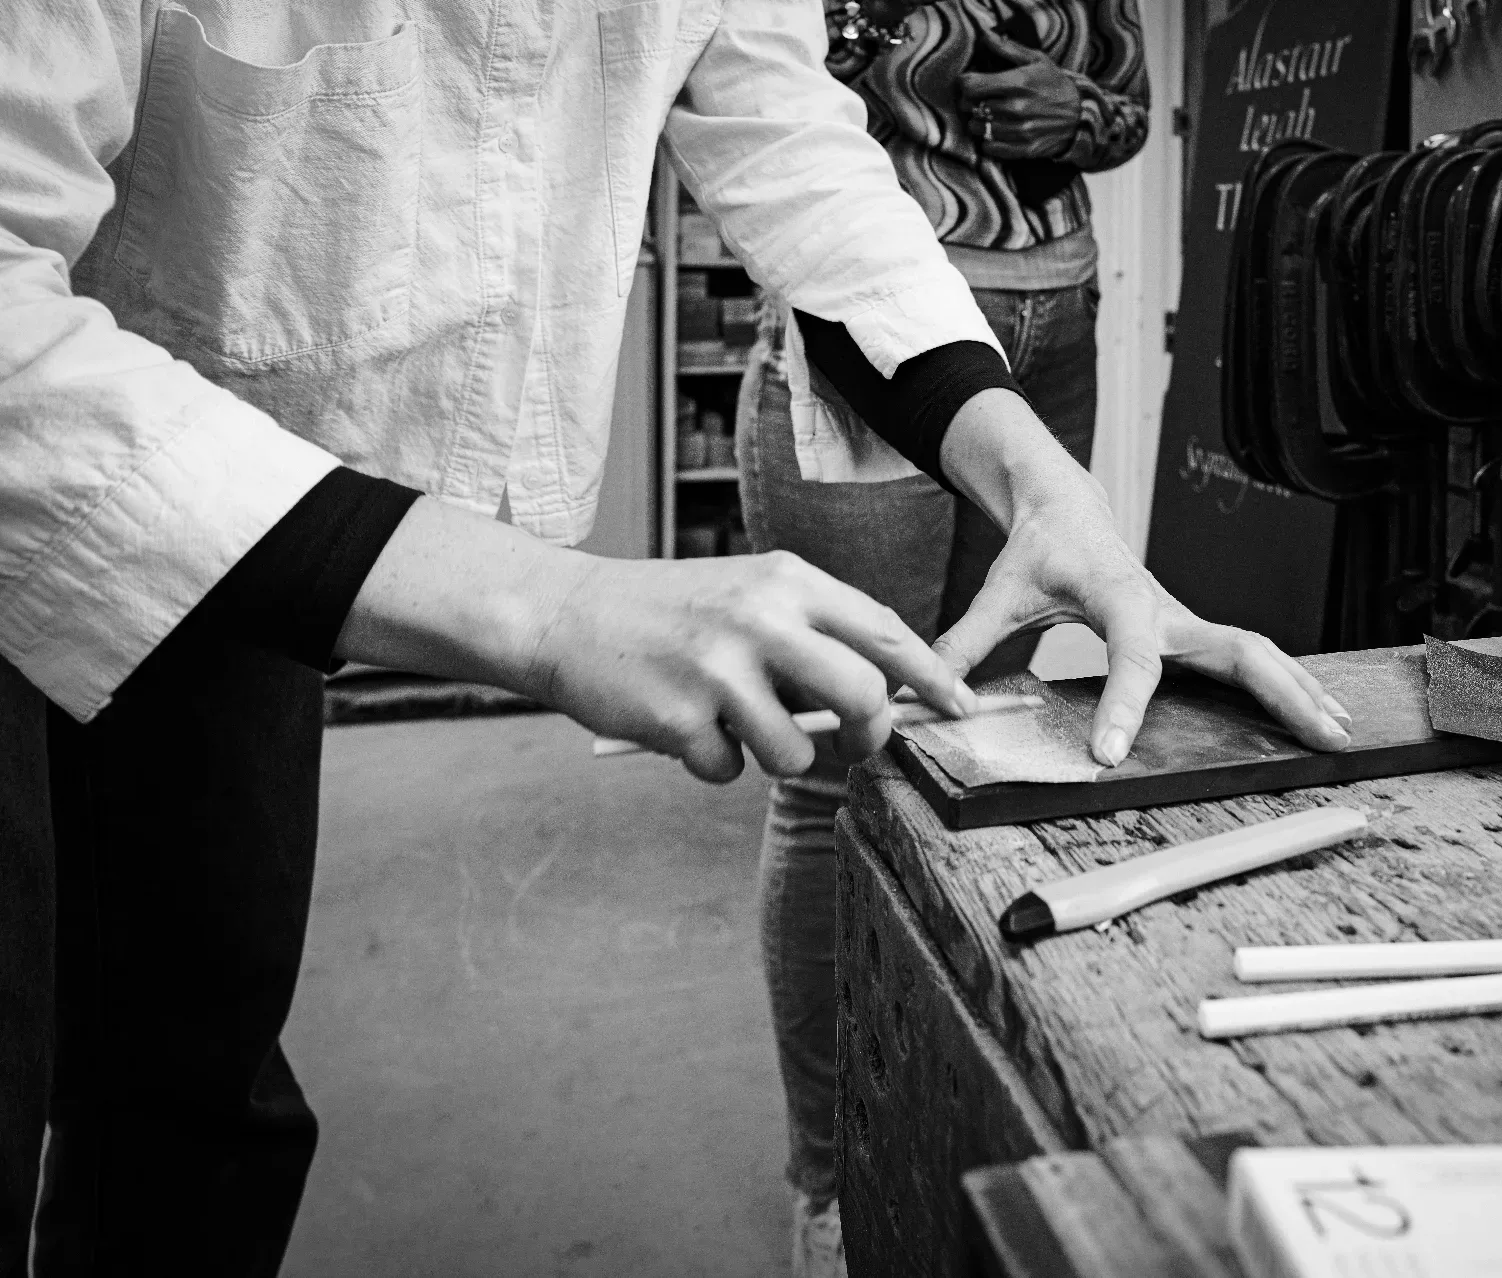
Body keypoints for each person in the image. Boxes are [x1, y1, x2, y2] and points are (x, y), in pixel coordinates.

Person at [0, 2, 1352, 1274]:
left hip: (258, 544)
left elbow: (789, 142)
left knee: (191, 1078)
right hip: (90, 459)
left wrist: (1032, 475)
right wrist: (554, 604)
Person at [733, 2, 1183, 1272]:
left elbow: (1131, 108)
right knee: (841, 759)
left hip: (1056, 311)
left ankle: (954, 1101)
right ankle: (831, 1178)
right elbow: (752, 111)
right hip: (877, 326)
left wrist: (1078, 109)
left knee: (988, 728)